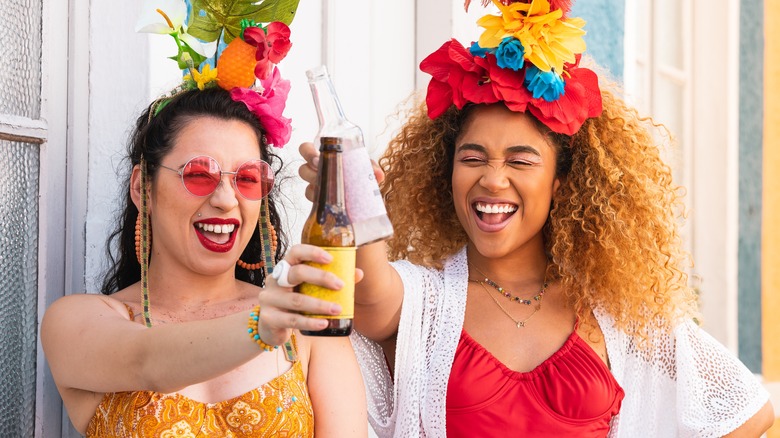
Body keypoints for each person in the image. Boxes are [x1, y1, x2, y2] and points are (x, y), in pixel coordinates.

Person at [296, 0, 775, 436]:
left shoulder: (612, 313)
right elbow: (369, 290)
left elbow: (748, 413)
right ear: (446, 174)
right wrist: (348, 200)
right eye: (473, 157)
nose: (493, 180)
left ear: (562, 183)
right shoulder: (425, 303)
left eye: (521, 161)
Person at [41, 3, 367, 437]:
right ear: (143, 188)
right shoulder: (79, 320)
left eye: (248, 179)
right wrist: (262, 325)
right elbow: (148, 361)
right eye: (199, 174)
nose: (226, 199)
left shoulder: (305, 329)